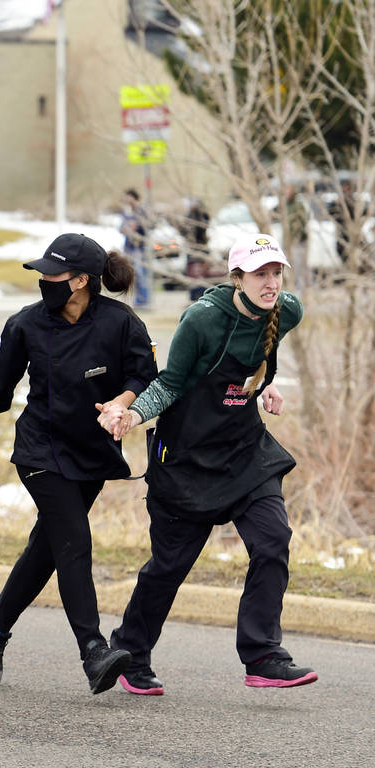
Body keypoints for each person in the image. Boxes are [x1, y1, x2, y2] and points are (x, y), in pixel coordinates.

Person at [97, 234, 316, 695]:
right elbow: (171, 382)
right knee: (168, 568)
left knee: (273, 539)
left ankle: (262, 654)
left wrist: (266, 386)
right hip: (187, 460)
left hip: (245, 453)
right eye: (260, 274)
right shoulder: (202, 319)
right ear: (237, 278)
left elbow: (261, 358)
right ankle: (130, 651)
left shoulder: (287, 310)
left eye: (276, 273)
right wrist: (133, 414)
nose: (271, 282)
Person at [0, 233, 158, 694]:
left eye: (53, 273)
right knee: (73, 539)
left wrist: (122, 401)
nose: (44, 280)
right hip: (40, 451)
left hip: (90, 452)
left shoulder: (120, 322)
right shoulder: (25, 325)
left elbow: (144, 373)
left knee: (49, 546)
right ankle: (93, 649)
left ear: (82, 281)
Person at [120, 188, 150, 309]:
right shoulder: (126, 212)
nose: (126, 200)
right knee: (132, 274)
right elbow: (121, 228)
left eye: (128, 197)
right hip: (128, 247)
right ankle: (138, 299)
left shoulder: (141, 211)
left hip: (139, 248)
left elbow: (146, 227)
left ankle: (144, 300)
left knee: (141, 274)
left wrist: (135, 226)